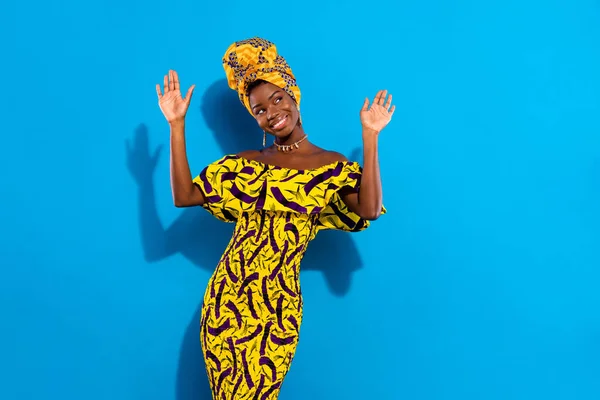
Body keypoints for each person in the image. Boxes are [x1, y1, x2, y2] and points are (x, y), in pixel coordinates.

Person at [156, 37, 393, 399]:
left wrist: (371, 136)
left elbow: (369, 209)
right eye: (259, 109)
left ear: (293, 95)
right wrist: (176, 124)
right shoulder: (248, 163)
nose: (271, 112)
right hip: (229, 299)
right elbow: (184, 196)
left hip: (278, 306)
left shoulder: (330, 166)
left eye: (277, 98)